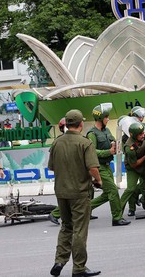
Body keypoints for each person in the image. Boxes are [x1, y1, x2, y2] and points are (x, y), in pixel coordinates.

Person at [48, 109, 102, 277]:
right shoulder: (85, 143)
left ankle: (59, 260)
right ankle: (79, 267)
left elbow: (51, 167)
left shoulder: (57, 142)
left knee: (66, 226)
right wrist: (98, 181)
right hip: (79, 192)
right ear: (80, 124)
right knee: (79, 229)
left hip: (61, 192)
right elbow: (92, 167)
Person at [87, 103, 130, 226]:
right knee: (113, 191)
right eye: (106, 117)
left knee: (107, 194)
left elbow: (113, 140)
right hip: (99, 167)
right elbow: (92, 152)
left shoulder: (106, 130)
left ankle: (81, 210)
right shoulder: (92, 134)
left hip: (107, 165)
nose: (108, 119)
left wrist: (115, 144)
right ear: (101, 118)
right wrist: (108, 151)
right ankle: (117, 218)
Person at [120, 122, 145, 217]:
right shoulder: (129, 147)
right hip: (133, 168)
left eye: (143, 133)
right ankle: (119, 212)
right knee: (131, 189)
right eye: (140, 134)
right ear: (133, 135)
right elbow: (134, 165)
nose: (143, 135)